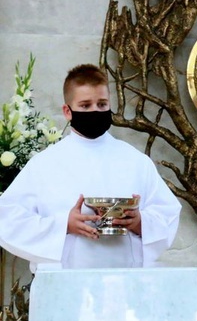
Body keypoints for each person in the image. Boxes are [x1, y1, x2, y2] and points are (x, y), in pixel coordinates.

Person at [0, 64, 181, 272]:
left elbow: (167, 213)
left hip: (125, 281)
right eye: (85, 106)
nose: (95, 111)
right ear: (67, 111)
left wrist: (139, 222)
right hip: (66, 282)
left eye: (102, 104)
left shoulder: (135, 160)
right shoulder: (44, 164)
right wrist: (64, 225)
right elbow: (7, 219)